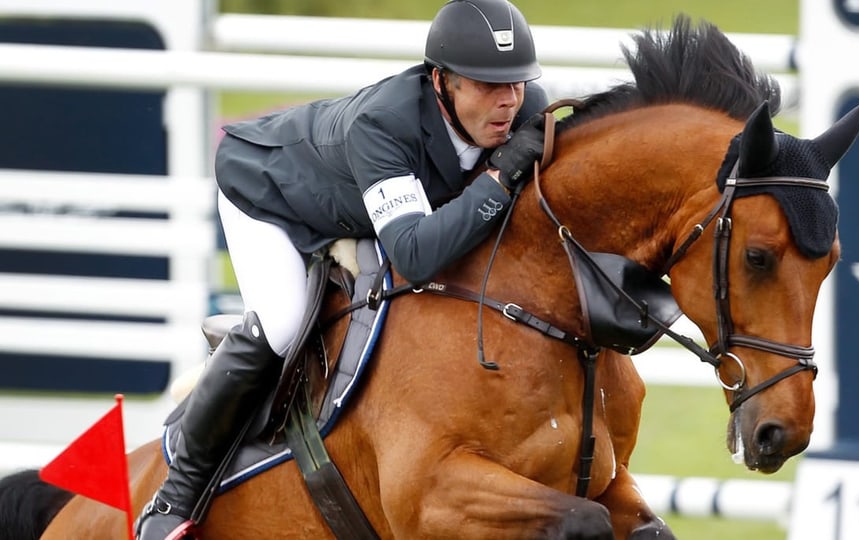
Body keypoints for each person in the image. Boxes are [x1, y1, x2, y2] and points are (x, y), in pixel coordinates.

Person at [134, 0, 548, 538]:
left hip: (355, 206)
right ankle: (172, 499)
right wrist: (501, 178)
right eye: (488, 86)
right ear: (442, 81)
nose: (509, 101)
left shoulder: (525, 106)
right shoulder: (385, 124)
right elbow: (416, 254)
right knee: (282, 322)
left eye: (516, 83)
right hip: (267, 194)